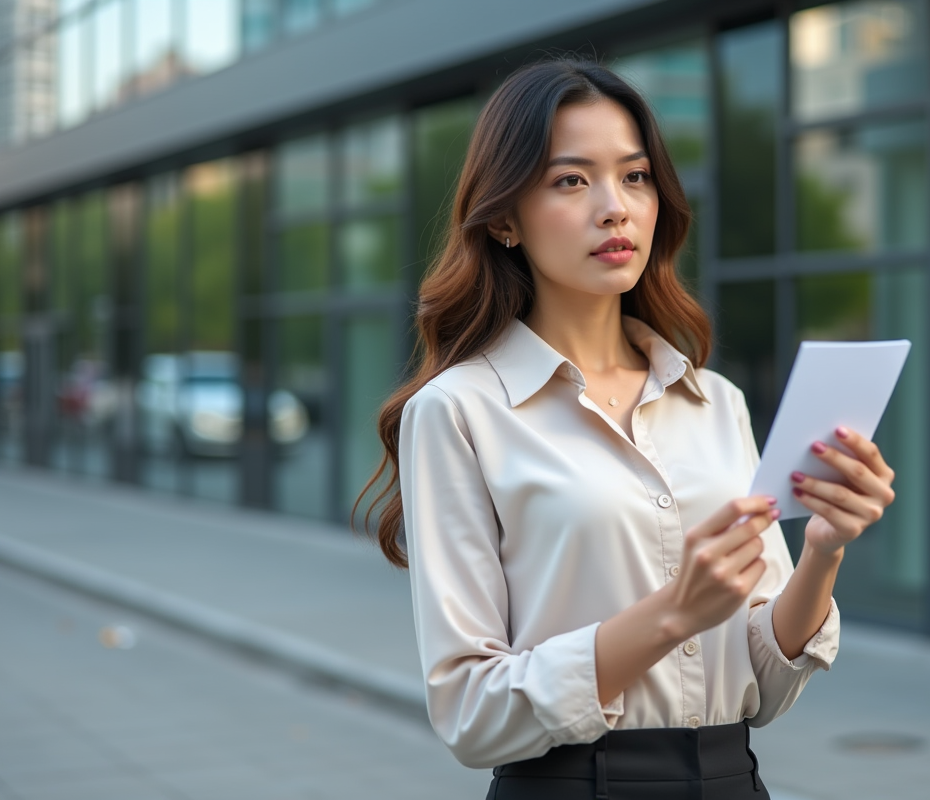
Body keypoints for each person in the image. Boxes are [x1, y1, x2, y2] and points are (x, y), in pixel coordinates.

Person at [358, 58, 896, 799]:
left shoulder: (716, 402)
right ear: (505, 218)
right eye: (571, 180)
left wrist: (824, 554)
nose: (615, 208)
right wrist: (674, 614)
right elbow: (471, 716)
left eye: (635, 177)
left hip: (731, 781)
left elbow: (766, 690)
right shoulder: (458, 411)